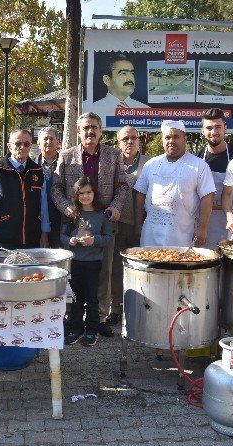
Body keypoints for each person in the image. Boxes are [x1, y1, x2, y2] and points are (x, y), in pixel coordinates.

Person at [52, 112, 129, 336]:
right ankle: (74, 316)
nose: (90, 132)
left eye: (94, 127)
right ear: (78, 131)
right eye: (86, 128)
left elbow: (123, 186)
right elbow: (55, 188)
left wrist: (115, 207)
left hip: (103, 223)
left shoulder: (113, 155)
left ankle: (100, 317)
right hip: (73, 223)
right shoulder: (66, 156)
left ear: (100, 130)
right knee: (74, 272)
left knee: (103, 272)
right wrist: (65, 206)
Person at [134, 120, 216, 247]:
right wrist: (138, 224)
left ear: (185, 138)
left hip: (183, 236)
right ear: (162, 139)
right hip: (150, 234)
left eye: (176, 137)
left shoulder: (199, 165)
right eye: (167, 137)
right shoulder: (151, 164)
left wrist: (202, 228)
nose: (171, 141)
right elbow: (140, 194)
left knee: (180, 265)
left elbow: (207, 197)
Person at [61, 176, 112, 347]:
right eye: (81, 193)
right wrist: (71, 241)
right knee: (76, 297)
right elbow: (63, 236)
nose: (85, 196)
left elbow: (108, 238)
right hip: (75, 262)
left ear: (94, 193)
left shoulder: (102, 215)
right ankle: (75, 327)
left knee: (91, 297)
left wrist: (94, 240)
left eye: (88, 192)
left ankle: (92, 329)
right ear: (76, 195)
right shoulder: (72, 214)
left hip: (93, 262)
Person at [0, 129, 50, 252]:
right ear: (9, 146)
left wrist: (44, 233)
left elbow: (43, 205)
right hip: (4, 238)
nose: (22, 147)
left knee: (30, 272)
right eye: (18, 143)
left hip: (32, 238)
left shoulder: (38, 171)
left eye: (26, 144)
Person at [108, 125, 150, 326]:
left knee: (142, 268)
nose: (130, 142)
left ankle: (141, 308)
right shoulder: (111, 163)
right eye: (125, 138)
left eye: (134, 137)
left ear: (139, 140)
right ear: (118, 142)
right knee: (116, 269)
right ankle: (116, 308)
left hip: (143, 225)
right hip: (118, 224)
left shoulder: (150, 163)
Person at [196, 108, 233, 249]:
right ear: (202, 131)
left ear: (225, 129)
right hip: (204, 223)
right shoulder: (196, 159)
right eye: (209, 128)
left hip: (232, 221)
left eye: (218, 127)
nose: (213, 132)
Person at [36, 127, 62, 249]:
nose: (48, 141)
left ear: (58, 142)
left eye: (52, 138)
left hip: (61, 222)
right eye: (45, 138)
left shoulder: (67, 164)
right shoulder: (31, 166)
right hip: (36, 223)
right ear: (38, 142)